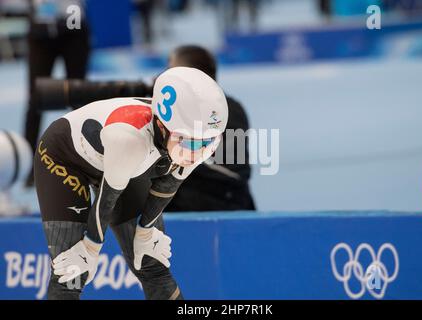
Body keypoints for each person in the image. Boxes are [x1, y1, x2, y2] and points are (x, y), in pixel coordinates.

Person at [33, 67, 228, 299]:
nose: (197, 154)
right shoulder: (130, 139)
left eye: (208, 145)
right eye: (190, 144)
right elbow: (108, 197)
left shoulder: (197, 136)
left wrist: (146, 231)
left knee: (152, 264)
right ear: (163, 127)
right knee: (71, 273)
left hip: (125, 165)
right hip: (64, 156)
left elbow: (168, 186)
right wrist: (91, 247)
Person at [165, 45, 256, 211]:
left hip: (221, 211)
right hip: (184, 207)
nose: (163, 78)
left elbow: (234, 174)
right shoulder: (172, 111)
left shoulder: (227, 110)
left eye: (170, 71)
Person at [24, 0, 91, 187]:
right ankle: (29, 164)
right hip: (41, 28)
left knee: (78, 99)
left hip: (73, 23)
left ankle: (85, 160)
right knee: (36, 99)